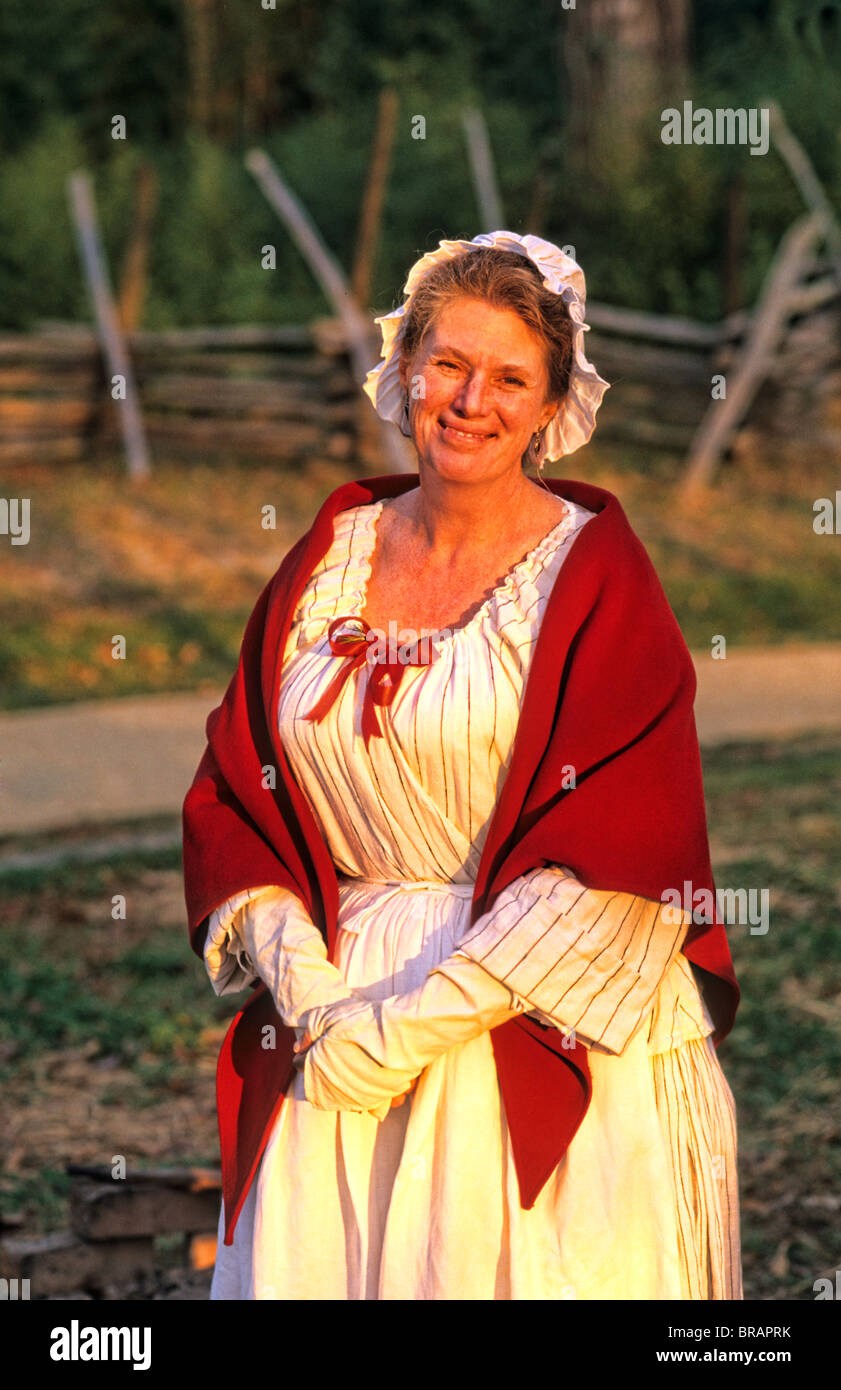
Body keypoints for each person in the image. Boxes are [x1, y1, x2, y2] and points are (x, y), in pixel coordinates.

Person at [182, 230, 742, 1301]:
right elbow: (235, 789)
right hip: (333, 1018)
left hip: (514, 1012)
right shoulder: (332, 552)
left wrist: (405, 1030)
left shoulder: (593, 579)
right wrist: (314, 997)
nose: (470, 398)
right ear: (402, 371)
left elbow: (619, 854)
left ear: (551, 408)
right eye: (446, 363)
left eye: (510, 377)